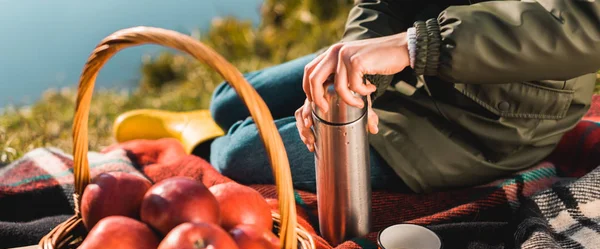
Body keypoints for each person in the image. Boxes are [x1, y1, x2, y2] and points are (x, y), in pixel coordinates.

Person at [209, 0, 600, 193]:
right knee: (226, 100)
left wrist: (420, 45)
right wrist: (363, 68)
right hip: (403, 51)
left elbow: (584, 22)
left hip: (491, 117)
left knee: (237, 151)